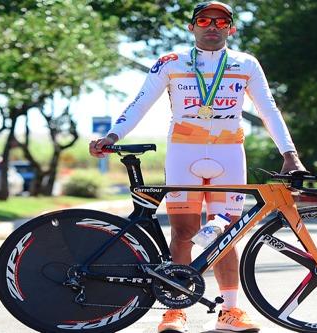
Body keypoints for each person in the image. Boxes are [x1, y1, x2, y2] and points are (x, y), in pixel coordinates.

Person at [89, 1, 305, 332]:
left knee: (228, 236)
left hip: (229, 153)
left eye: (222, 21)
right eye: (204, 20)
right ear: (192, 27)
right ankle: (176, 310)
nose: (212, 26)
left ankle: (230, 312)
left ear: (231, 29)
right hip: (183, 153)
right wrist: (113, 134)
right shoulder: (170, 63)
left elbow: (269, 110)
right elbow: (141, 101)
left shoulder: (245, 64)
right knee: (184, 232)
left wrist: (290, 155)